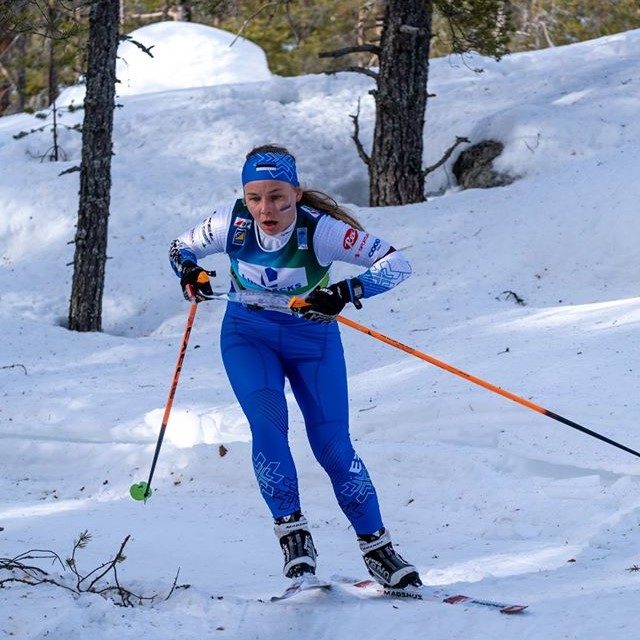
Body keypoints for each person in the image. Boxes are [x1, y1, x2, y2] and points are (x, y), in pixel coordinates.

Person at [169, 144, 420, 588]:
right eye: (255, 198)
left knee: (333, 446)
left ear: (297, 194)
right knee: (269, 427)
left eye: (278, 197)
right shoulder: (231, 223)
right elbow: (180, 248)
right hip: (248, 336)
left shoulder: (322, 231)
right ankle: (294, 536)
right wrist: (191, 273)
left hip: (312, 340)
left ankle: (378, 549)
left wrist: (346, 291)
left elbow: (398, 263)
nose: (266, 209)